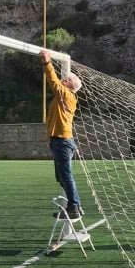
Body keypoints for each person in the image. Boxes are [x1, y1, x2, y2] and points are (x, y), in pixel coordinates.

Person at [40, 50, 84, 219]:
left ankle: (73, 206)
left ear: (70, 86)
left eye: (67, 79)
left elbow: (53, 81)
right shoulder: (63, 96)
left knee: (65, 176)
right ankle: (76, 205)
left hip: (62, 141)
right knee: (61, 177)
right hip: (59, 141)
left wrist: (47, 63)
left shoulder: (66, 95)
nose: (64, 79)